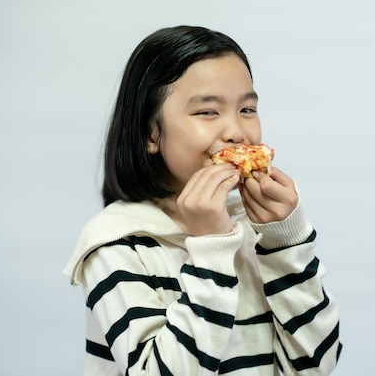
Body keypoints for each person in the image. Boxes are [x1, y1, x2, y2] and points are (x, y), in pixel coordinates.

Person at [64, 25, 342, 376]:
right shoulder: (116, 242)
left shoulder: (254, 230)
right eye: (208, 112)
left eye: (247, 110)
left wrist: (285, 243)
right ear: (151, 133)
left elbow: (315, 366)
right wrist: (211, 249)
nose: (237, 132)